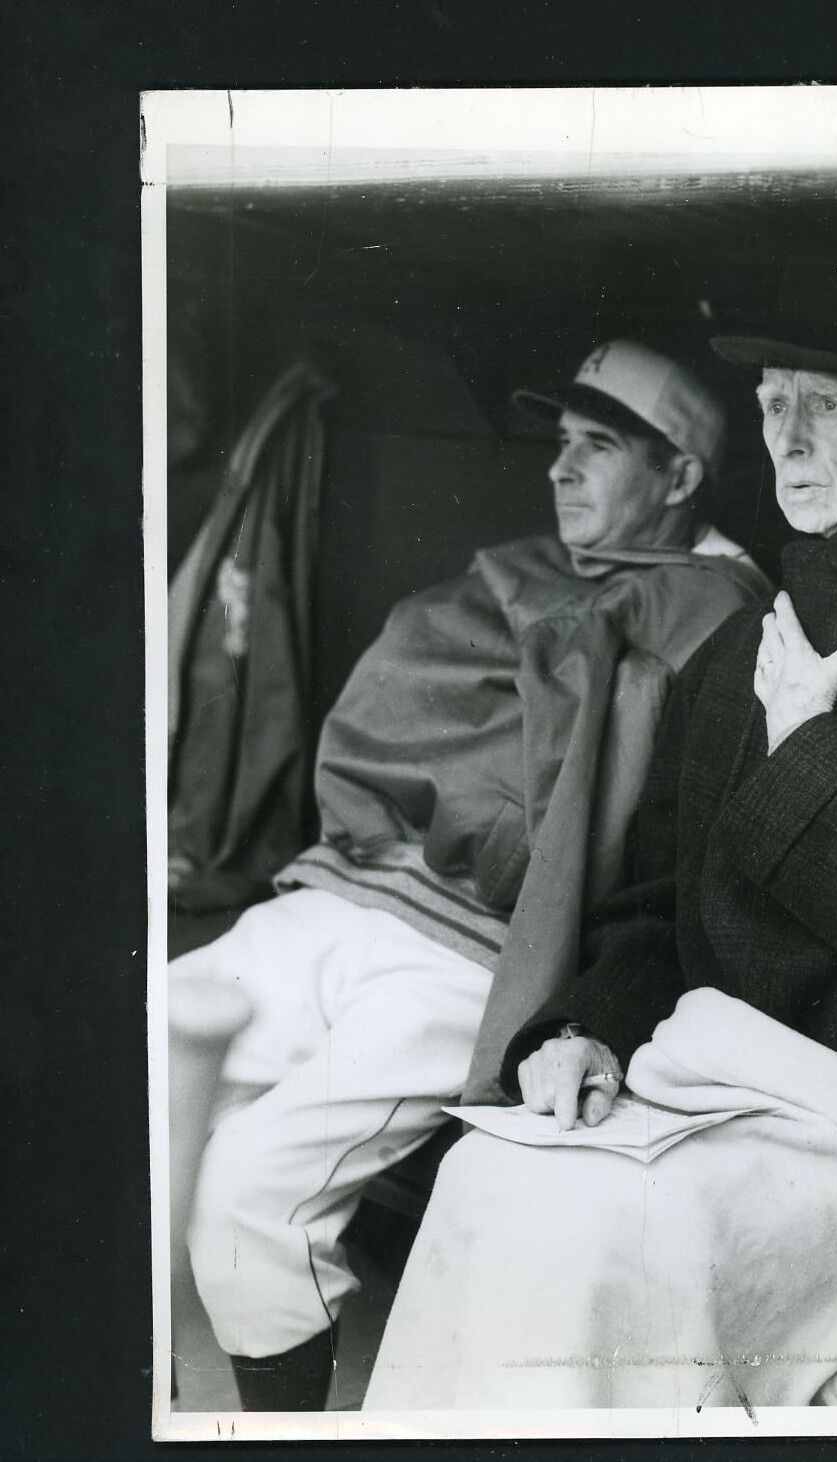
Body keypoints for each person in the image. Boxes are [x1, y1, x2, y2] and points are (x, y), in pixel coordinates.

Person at [364, 321, 837, 1411]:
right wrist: (587, 1030)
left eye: (826, 406)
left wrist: (811, 746)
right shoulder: (738, 641)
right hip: (713, 1081)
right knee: (488, 1170)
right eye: (770, 403)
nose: (787, 438)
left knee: (627, 1233)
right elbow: (656, 898)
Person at [169, 339, 771, 1411]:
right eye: (558, 444)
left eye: (598, 446)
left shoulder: (717, 619)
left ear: (680, 478)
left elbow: (612, 832)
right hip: (342, 893)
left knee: (251, 1188)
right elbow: (396, 703)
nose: (560, 469)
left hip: (469, 957)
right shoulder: (524, 573)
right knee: (132, 1076)